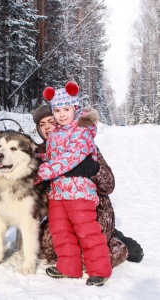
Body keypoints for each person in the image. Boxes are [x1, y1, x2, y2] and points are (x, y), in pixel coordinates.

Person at [33, 105, 144, 268]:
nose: (47, 127)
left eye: (51, 121)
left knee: (88, 256)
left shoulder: (81, 142)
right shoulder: (41, 151)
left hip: (93, 208)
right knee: (48, 250)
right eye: (42, 124)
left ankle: (121, 245)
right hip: (61, 209)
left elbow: (109, 185)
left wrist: (92, 169)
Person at [34, 83, 112, 286]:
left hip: (79, 192)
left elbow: (69, 159)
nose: (61, 115)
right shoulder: (55, 135)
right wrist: (33, 159)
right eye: (57, 111)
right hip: (58, 192)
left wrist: (40, 172)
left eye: (66, 110)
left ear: (75, 109)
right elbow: (51, 156)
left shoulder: (82, 132)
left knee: (86, 229)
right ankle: (68, 267)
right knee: (60, 230)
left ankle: (100, 270)